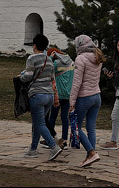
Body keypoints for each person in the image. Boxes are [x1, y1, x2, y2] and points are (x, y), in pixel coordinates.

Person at [20, 33, 63, 161]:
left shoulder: (32, 58)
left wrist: (20, 77)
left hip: (37, 95)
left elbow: (28, 76)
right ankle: (33, 149)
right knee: (38, 123)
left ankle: (53, 146)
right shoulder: (49, 59)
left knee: (39, 123)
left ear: (34, 46)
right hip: (49, 94)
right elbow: (51, 77)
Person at [69, 34, 106, 168]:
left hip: (84, 97)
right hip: (96, 95)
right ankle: (90, 156)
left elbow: (77, 83)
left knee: (76, 127)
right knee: (91, 127)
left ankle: (91, 153)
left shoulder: (80, 59)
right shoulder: (97, 56)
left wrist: (71, 102)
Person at [46, 45, 74, 148]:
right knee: (64, 118)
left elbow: (47, 68)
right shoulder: (71, 62)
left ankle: (50, 139)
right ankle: (65, 140)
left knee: (52, 117)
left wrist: (51, 58)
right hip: (68, 95)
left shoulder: (56, 64)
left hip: (58, 95)